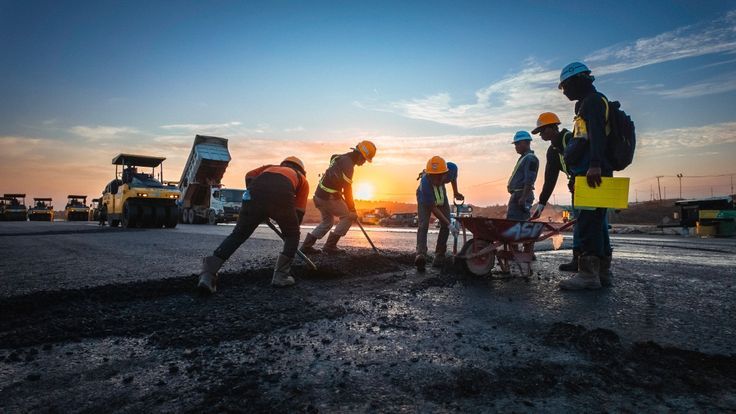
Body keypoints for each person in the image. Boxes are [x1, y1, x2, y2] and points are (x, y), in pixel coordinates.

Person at [197, 156, 309, 293]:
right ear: (301, 170)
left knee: (238, 234)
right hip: (282, 196)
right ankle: (281, 276)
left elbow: (249, 175)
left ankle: (208, 274)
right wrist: (289, 231)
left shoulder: (269, 167)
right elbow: (299, 212)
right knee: (293, 235)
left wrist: (256, 201)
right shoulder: (301, 178)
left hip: (253, 194)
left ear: (284, 163)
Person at [557, 61, 613, 290]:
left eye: (565, 86)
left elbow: (597, 135)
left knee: (590, 222)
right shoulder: (590, 102)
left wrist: (595, 164)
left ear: (578, 81)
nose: (565, 92)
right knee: (597, 222)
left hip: (594, 173)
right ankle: (602, 272)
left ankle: (589, 276)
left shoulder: (592, 102)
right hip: (595, 170)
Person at [300, 140, 376, 254]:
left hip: (319, 197)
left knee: (328, 222)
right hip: (328, 198)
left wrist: (337, 187)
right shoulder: (349, 165)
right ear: (360, 155)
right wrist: (352, 209)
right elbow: (347, 189)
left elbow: (332, 160)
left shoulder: (340, 158)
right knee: (348, 216)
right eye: (365, 159)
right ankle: (330, 246)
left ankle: (306, 246)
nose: (364, 163)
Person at [529, 112, 579, 271]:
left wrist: (576, 179)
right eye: (539, 132)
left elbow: (584, 161)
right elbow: (550, 179)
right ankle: (578, 260)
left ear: (553, 128)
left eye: (543, 131)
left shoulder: (569, 139)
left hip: (588, 186)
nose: (541, 135)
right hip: (578, 188)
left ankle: (597, 266)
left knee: (589, 225)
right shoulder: (552, 151)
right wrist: (541, 205)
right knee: (580, 223)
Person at [415, 156, 461, 271]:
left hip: (441, 195)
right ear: (429, 175)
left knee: (446, 223)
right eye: (433, 177)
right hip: (425, 199)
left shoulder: (451, 169)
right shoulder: (425, 183)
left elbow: (453, 178)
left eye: (439, 177)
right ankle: (420, 254)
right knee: (423, 224)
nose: (436, 180)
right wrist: (449, 224)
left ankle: (439, 255)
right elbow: (433, 208)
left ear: (444, 174)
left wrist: (455, 192)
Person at [506, 131, 539, 221]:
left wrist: (523, 197)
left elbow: (529, 180)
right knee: (512, 220)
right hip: (518, 194)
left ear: (525, 142)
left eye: (517, 144)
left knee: (516, 221)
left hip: (521, 194)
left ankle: (520, 235)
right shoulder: (524, 158)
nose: (516, 147)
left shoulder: (530, 158)